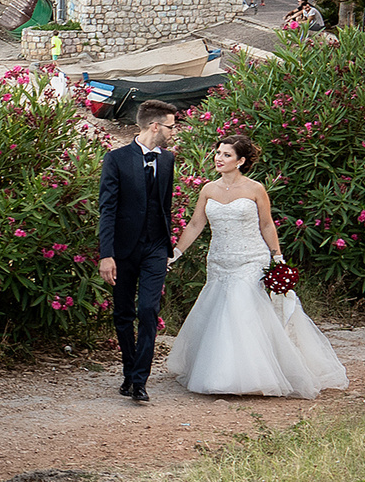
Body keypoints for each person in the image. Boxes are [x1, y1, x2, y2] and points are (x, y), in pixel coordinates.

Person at [164, 134, 349, 398]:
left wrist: (277, 257)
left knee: (242, 311)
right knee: (219, 313)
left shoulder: (255, 189)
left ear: (240, 161)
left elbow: (266, 224)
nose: (219, 158)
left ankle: (254, 376)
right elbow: (195, 224)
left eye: (226, 154)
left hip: (251, 259)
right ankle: (221, 372)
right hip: (219, 260)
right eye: (218, 153)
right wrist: (176, 253)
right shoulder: (208, 189)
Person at [97, 99, 181, 404]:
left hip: (156, 247)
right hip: (123, 249)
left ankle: (140, 380)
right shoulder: (116, 159)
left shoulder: (168, 160)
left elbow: (165, 206)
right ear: (155, 126)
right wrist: (107, 254)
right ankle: (129, 371)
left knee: (148, 310)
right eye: (171, 126)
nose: (174, 132)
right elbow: (107, 209)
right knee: (123, 313)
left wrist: (168, 247)